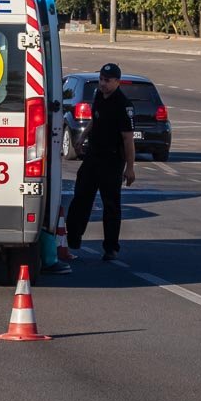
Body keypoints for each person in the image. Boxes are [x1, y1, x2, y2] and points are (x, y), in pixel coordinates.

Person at [66, 63, 136, 261]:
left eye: (107, 80)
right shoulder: (98, 95)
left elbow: (128, 139)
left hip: (112, 160)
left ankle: (111, 247)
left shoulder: (123, 105)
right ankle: (72, 239)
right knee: (81, 197)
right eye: (101, 79)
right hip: (93, 156)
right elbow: (95, 120)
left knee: (111, 204)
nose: (103, 83)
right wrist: (82, 137)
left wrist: (130, 168)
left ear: (117, 82)